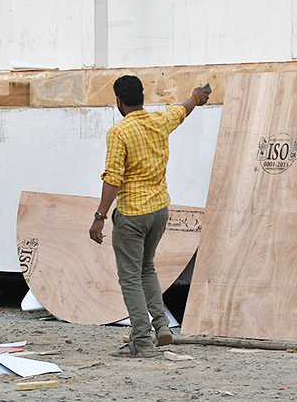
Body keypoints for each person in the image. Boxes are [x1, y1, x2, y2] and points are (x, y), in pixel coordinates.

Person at [88, 76, 210, 357]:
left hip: (132, 215)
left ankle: (142, 340)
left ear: (118, 101)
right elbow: (183, 109)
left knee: (130, 276)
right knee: (146, 268)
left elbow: (113, 178)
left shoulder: (119, 133)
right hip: (159, 212)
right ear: (142, 97)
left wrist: (100, 216)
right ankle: (162, 327)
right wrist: (197, 96)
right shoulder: (160, 122)